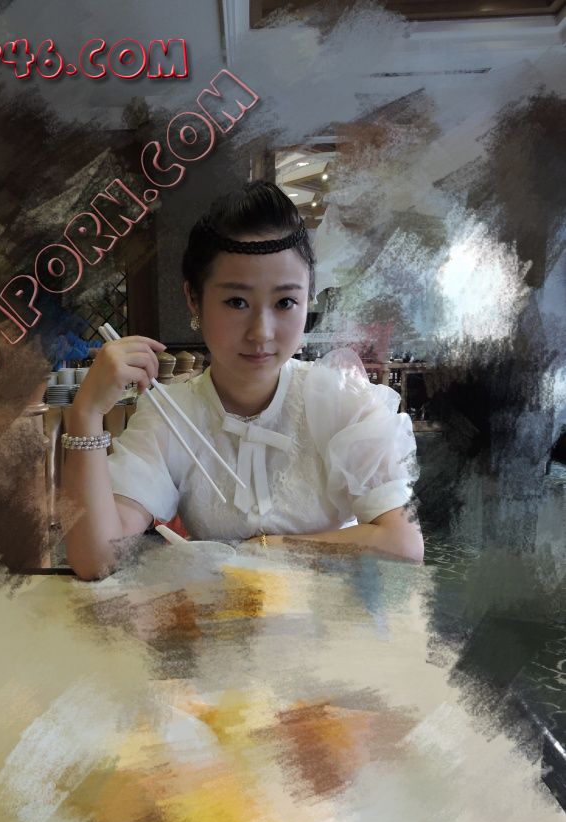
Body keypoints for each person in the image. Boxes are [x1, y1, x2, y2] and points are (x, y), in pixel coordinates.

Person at [62, 181, 423, 580]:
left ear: (308, 299)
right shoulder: (172, 415)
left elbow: (403, 545)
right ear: (194, 298)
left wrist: (266, 550)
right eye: (237, 302)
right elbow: (98, 559)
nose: (261, 332)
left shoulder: (342, 400)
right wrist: (87, 413)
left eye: (285, 302)